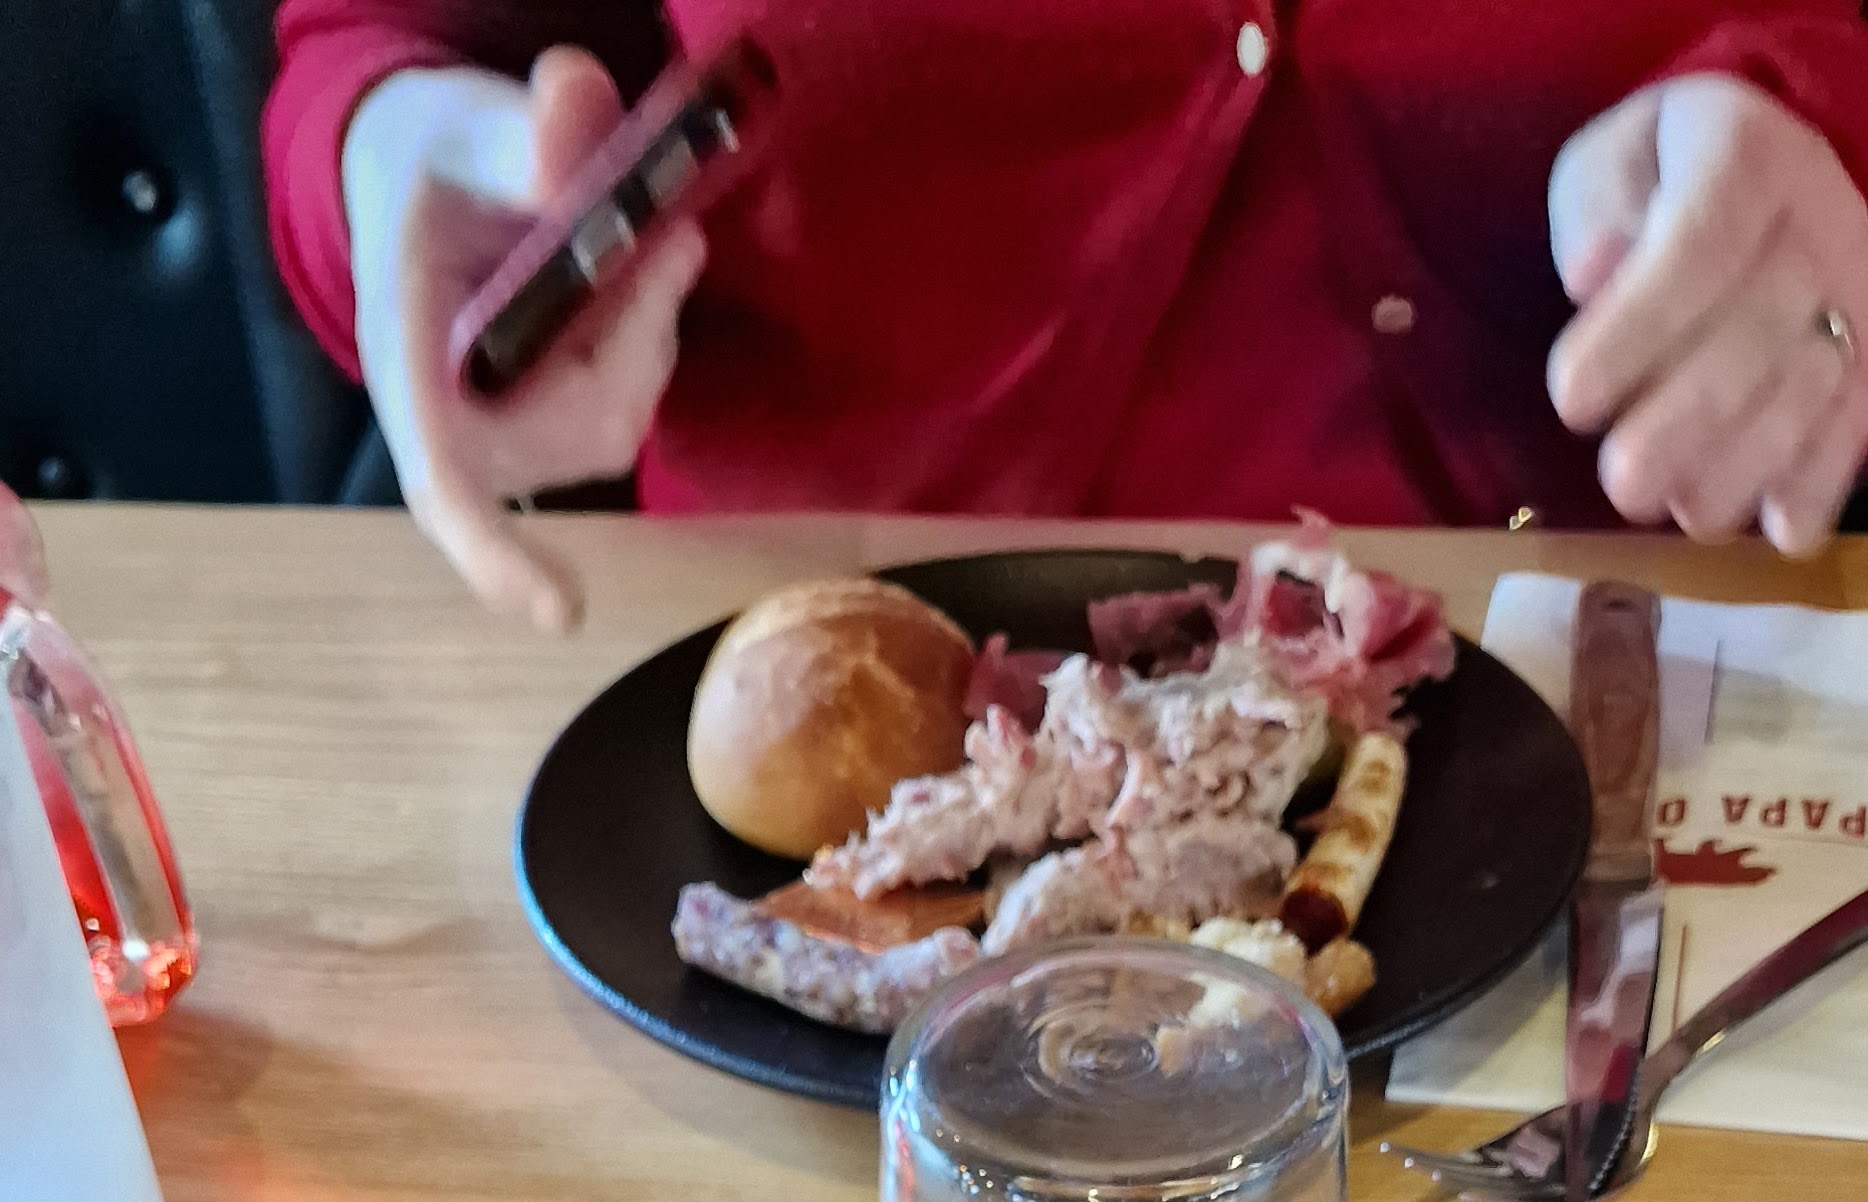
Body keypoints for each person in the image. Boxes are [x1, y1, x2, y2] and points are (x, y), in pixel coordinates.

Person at [264, 2, 1868, 630]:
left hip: (1611, 705)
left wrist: (1826, 126)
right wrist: (393, 159)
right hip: (798, 725)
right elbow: (380, 46)